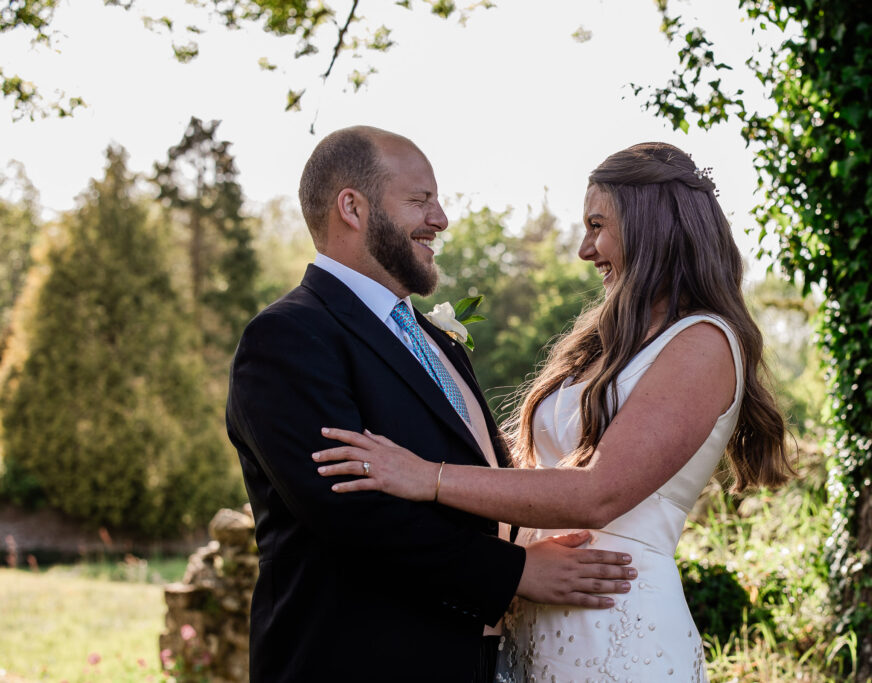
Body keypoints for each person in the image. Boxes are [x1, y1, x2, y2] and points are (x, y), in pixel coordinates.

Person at [312, 141, 794, 681]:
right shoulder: (606, 342)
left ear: (650, 226)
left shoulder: (704, 343)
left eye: (597, 225)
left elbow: (598, 493)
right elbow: (527, 472)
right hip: (534, 622)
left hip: (618, 628)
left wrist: (427, 477)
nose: (585, 250)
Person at [225, 126, 637, 683]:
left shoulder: (435, 338)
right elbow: (348, 513)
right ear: (353, 206)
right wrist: (516, 572)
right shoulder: (288, 338)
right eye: (420, 201)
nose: (440, 219)